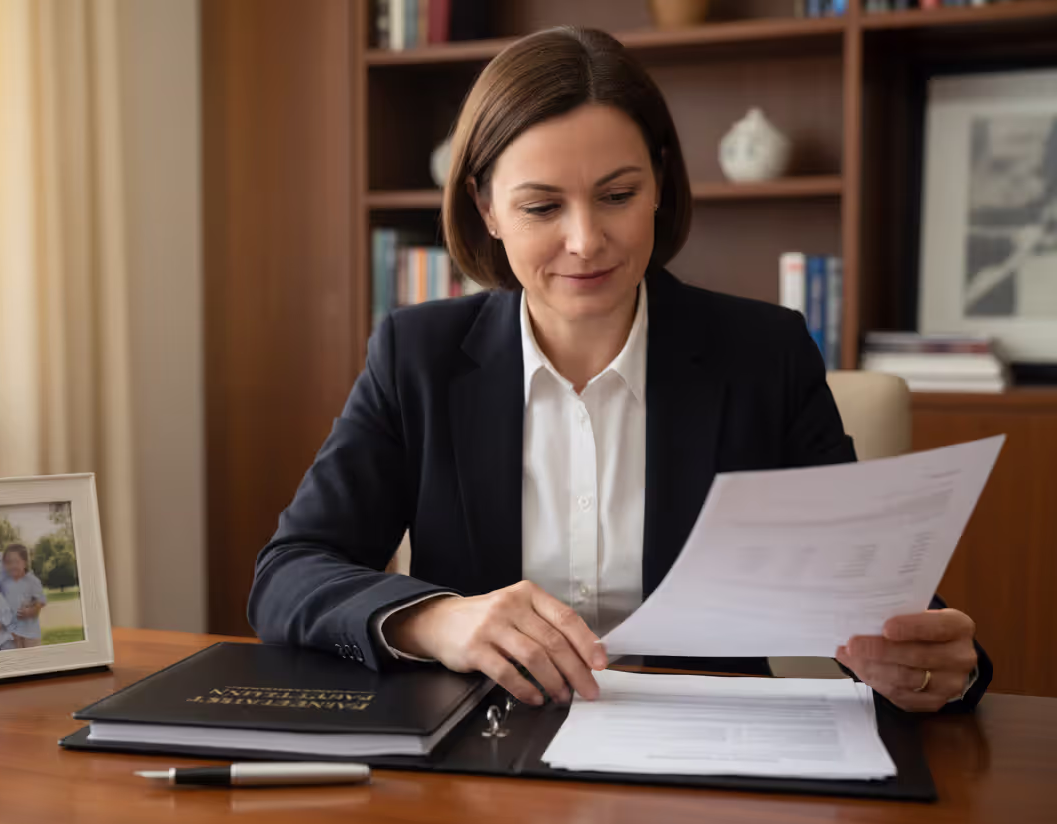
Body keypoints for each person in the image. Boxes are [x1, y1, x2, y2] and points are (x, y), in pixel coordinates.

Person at [247, 27, 990, 714]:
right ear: (486, 209)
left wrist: (934, 666)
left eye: (617, 195)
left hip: (708, 757)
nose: (585, 240)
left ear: (660, 185)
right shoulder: (417, 355)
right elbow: (290, 574)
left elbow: (877, 601)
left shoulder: (765, 353)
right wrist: (440, 620)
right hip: (485, 750)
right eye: (541, 207)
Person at [0, 543, 47, 648]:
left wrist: (31, 611)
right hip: (12, 631)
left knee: (32, 658)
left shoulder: (32, 581)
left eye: (16, 562)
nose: (12, 566)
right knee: (17, 659)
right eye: (8, 562)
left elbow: (41, 602)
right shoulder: (5, 583)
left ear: (25, 563)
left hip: (30, 631)